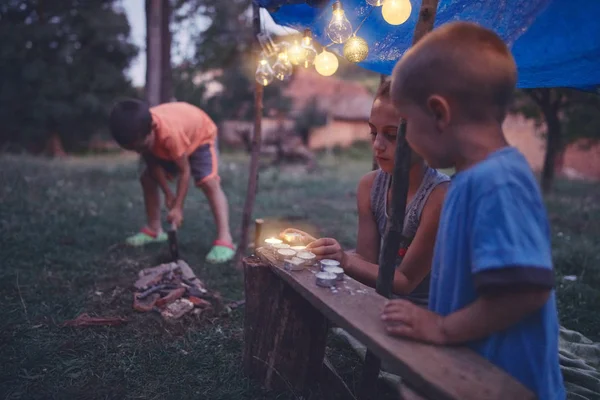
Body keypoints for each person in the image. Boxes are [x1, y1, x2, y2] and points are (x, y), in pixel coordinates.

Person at [381, 22, 565, 399]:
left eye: (407, 125)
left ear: (438, 113)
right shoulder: (468, 181)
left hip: (509, 385)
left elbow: (524, 291)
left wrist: (443, 328)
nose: (407, 139)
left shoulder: (498, 183)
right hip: (471, 378)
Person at [283, 80, 449, 304]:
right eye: (373, 132)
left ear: (426, 135)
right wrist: (321, 249)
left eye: (392, 135)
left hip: (426, 313)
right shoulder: (370, 186)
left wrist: (346, 260)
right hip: (378, 297)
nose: (377, 145)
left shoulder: (438, 197)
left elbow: (405, 281)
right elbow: (366, 259)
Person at [109, 99, 235, 264]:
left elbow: (185, 171)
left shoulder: (169, 134)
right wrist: (168, 193)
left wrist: (177, 207)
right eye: (135, 149)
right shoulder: (140, 132)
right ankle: (154, 229)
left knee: (208, 181)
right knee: (147, 178)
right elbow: (152, 164)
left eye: (141, 146)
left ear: (152, 129)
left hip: (200, 135)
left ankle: (225, 239)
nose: (139, 151)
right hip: (175, 141)